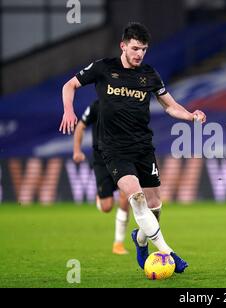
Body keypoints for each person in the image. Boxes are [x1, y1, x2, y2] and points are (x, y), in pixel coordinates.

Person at [60, 22, 206, 273]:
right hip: (114, 149)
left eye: (144, 49)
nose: (139, 54)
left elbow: (169, 106)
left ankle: (140, 240)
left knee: (155, 205)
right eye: (135, 48)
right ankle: (168, 253)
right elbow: (69, 85)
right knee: (136, 199)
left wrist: (191, 115)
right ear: (123, 46)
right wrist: (68, 110)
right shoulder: (103, 68)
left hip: (143, 147)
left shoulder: (149, 74)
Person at [73, 100, 132, 255]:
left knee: (126, 197)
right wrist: (77, 150)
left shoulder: (126, 104)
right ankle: (101, 196)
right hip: (101, 161)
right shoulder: (96, 106)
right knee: (106, 207)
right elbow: (80, 126)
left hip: (121, 158)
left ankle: (118, 243)